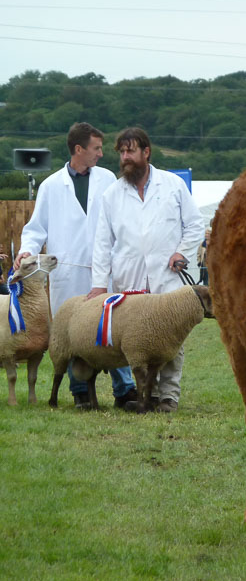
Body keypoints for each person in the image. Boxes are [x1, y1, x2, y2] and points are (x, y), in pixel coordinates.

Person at [16, 122, 137, 410]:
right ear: (79, 149)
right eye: (96, 148)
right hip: (67, 272)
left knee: (112, 330)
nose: (101, 153)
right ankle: (80, 391)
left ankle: (125, 390)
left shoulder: (108, 179)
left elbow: (124, 218)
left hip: (104, 269)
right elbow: (36, 229)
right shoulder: (50, 186)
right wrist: (26, 251)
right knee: (71, 334)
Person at [88, 127, 204, 413]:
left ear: (146, 152)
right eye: (122, 152)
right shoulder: (112, 195)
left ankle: (168, 397)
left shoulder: (173, 185)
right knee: (138, 342)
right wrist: (100, 285)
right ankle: (145, 395)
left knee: (171, 340)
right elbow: (103, 243)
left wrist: (182, 252)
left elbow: (195, 225)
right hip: (131, 279)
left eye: (130, 151)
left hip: (168, 276)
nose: (125, 157)